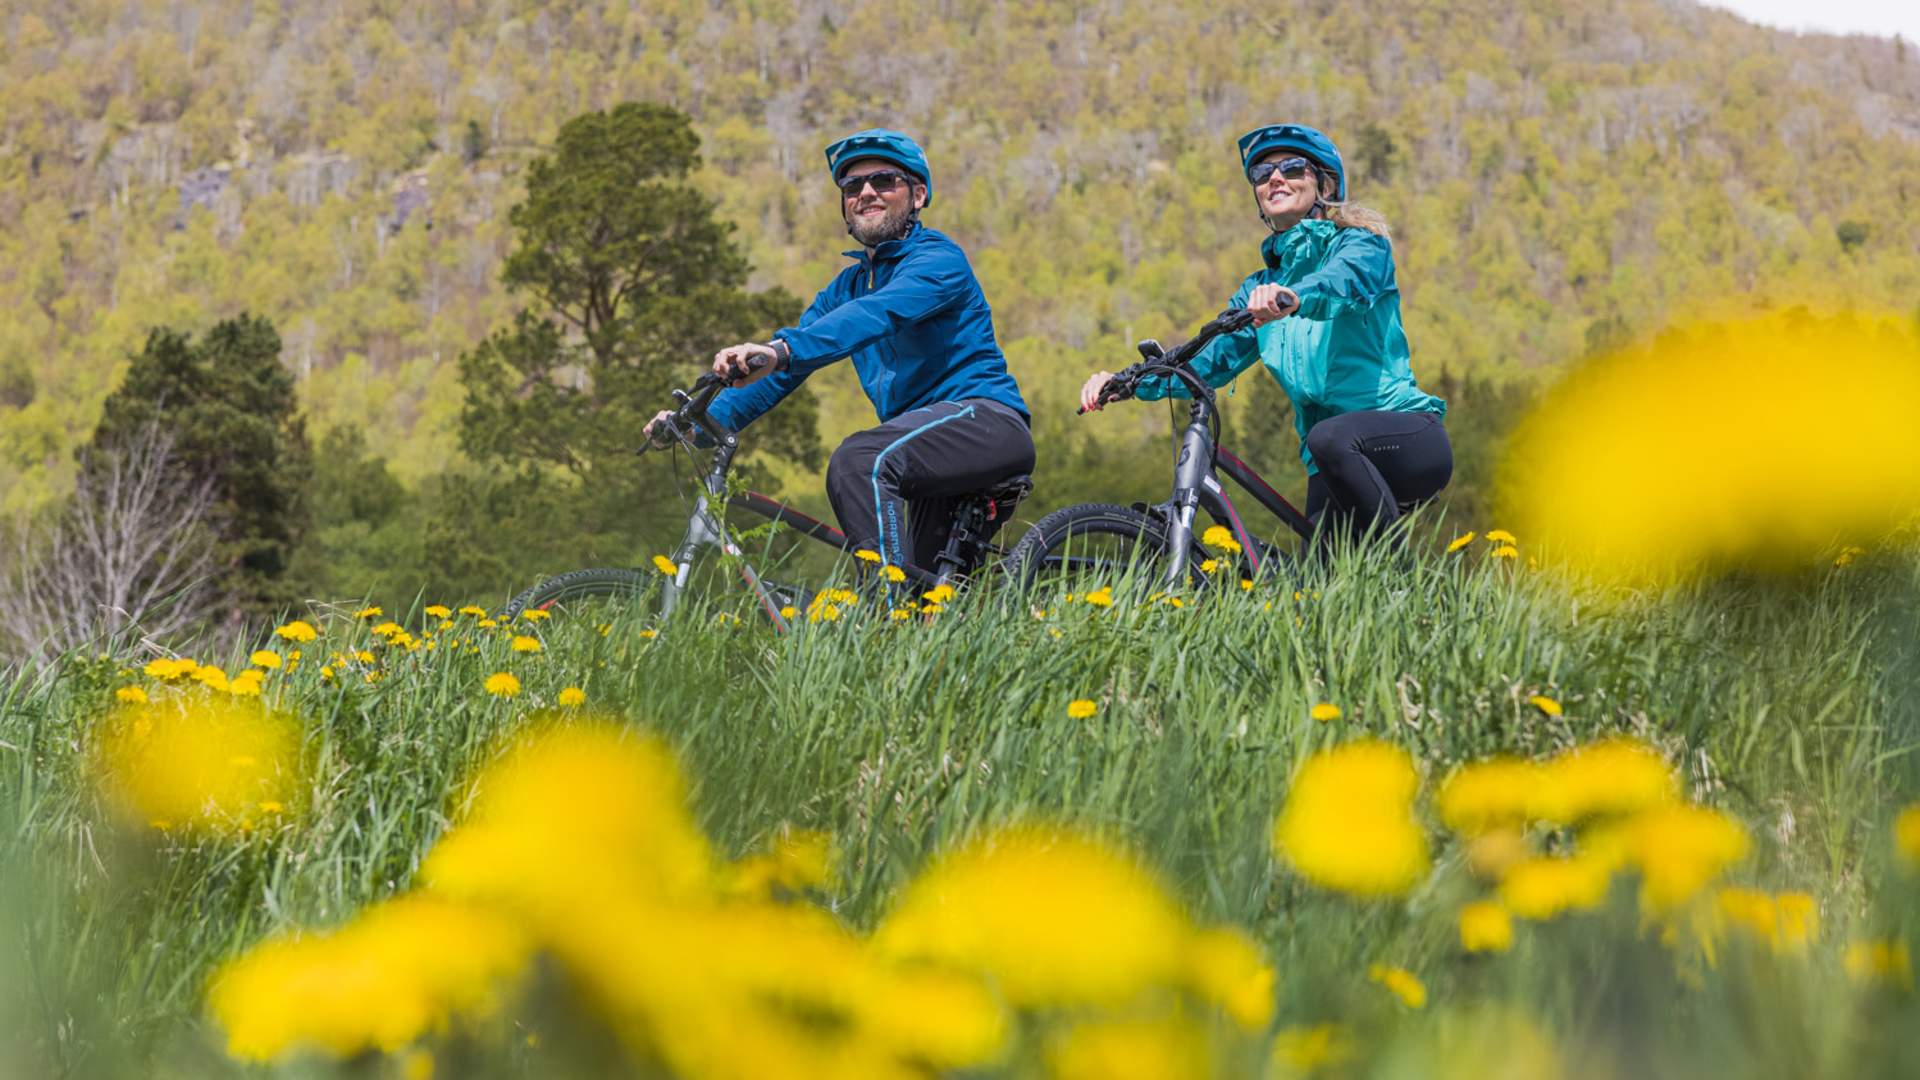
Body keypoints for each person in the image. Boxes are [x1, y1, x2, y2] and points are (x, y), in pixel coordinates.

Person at [648, 128, 1033, 572]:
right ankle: (906, 627)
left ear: (919, 195)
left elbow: (876, 314)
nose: (866, 193)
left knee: (859, 461)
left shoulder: (938, 261)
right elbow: (785, 367)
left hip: (984, 422)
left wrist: (782, 349)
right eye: (852, 187)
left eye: (884, 181)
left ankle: (879, 614)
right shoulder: (845, 288)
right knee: (930, 606)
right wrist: (701, 423)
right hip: (925, 448)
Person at [1079, 124, 1450, 547]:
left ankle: (1398, 572)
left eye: (1292, 168)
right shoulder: (1258, 287)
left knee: (1328, 438)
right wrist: (1125, 383)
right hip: (1329, 463)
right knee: (1324, 593)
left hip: (1404, 438)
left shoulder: (1362, 245)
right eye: (1262, 172)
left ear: (1325, 183)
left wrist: (1293, 296)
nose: (1275, 178)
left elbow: (1344, 281)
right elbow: (1207, 360)